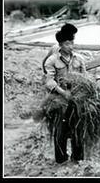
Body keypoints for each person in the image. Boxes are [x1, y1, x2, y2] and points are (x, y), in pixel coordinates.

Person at [43, 25, 88, 164]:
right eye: (68, 43)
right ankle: (61, 159)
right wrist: (63, 93)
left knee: (78, 127)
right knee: (60, 129)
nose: (71, 46)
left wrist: (81, 93)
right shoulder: (52, 60)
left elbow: (85, 78)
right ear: (61, 45)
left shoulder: (79, 59)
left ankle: (78, 158)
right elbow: (49, 81)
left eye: (72, 43)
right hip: (59, 99)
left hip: (76, 98)